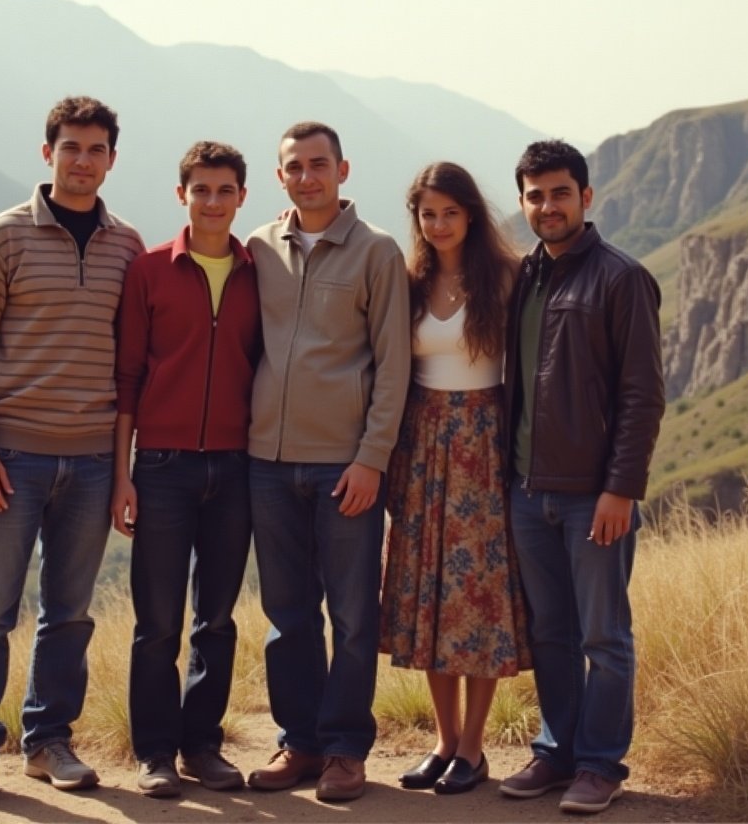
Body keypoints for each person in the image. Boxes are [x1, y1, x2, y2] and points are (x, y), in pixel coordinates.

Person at [0, 96, 144, 808]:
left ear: (112, 159)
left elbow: (131, 370)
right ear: (47, 152)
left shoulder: (127, 248)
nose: (82, 160)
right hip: (12, 458)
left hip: (89, 463)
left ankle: (48, 741)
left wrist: (122, 470)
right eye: (70, 147)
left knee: (70, 614)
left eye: (95, 149)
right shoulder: (1, 238)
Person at [244, 121, 411, 802]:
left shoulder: (376, 252)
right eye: (294, 167)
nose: (307, 177)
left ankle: (346, 748)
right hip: (266, 463)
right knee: (287, 614)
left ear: (344, 170)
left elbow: (394, 365)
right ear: (280, 175)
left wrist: (372, 459)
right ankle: (300, 743)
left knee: (351, 615)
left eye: (319, 165)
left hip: (345, 465)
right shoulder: (258, 246)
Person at [497, 140, 664, 814]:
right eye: (535, 196)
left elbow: (642, 395)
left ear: (586, 197)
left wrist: (620, 489)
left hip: (592, 496)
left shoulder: (622, 279)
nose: (548, 206)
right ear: (523, 202)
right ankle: (556, 751)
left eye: (560, 193)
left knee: (603, 635)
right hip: (526, 491)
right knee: (552, 634)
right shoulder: (523, 279)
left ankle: (600, 764)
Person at [111, 141, 261, 799]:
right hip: (163, 469)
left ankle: (202, 745)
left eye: (224, 190)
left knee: (217, 619)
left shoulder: (261, 273)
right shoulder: (148, 271)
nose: (212, 201)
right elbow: (128, 380)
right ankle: (155, 754)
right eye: (200, 189)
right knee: (158, 623)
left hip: (235, 467)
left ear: (241, 197)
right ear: (182, 196)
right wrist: (124, 476)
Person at [380, 162, 531, 796]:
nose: (439, 224)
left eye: (450, 212)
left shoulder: (507, 276)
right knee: (429, 597)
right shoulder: (409, 282)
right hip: (420, 443)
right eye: (427, 213)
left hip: (484, 445)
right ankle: (443, 742)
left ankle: (474, 747)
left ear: (471, 213)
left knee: (478, 601)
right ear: (417, 219)